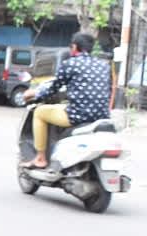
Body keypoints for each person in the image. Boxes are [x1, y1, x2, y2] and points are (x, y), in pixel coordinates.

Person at [20, 31, 112, 169]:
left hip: (78, 116)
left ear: (74, 47)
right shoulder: (104, 65)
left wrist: (34, 93)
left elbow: (53, 88)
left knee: (39, 112)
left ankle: (40, 157)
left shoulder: (70, 64)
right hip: (102, 116)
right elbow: (108, 90)